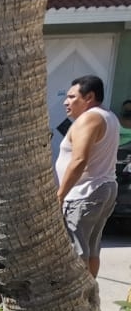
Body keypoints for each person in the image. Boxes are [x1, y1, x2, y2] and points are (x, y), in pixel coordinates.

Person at [55, 74, 119, 278]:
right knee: (91, 248)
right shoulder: (108, 116)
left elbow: (79, 159)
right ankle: (90, 300)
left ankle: (79, 301)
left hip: (85, 193)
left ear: (89, 97)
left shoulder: (89, 118)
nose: (66, 102)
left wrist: (60, 195)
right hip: (101, 188)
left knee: (77, 250)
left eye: (72, 97)